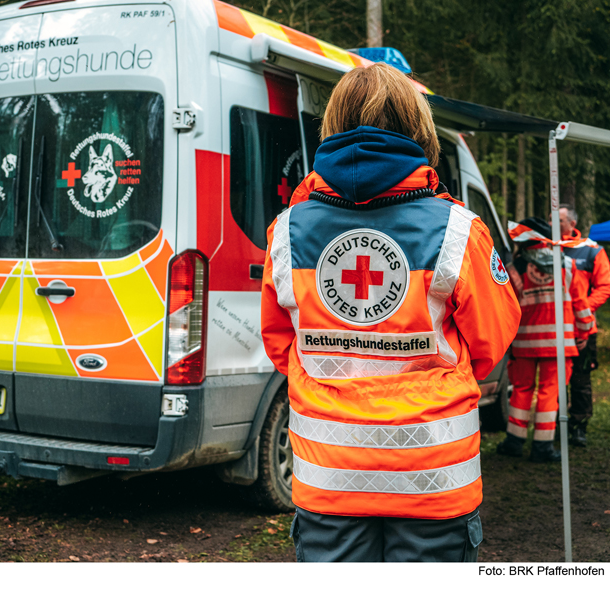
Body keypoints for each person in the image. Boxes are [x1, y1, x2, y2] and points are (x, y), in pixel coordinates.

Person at [260, 63, 521, 562]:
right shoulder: (459, 231)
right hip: (434, 474)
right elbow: (492, 339)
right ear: (418, 128)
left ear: (331, 124)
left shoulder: (287, 231)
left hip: (329, 476)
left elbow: (280, 344)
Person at [498, 218, 594, 462]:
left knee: (521, 389)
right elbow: (581, 305)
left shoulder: (514, 267)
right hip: (558, 343)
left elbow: (506, 308)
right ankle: (542, 446)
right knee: (549, 392)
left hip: (523, 343)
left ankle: (515, 441)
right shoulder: (568, 266)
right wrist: (584, 333)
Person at [559, 204, 610, 446]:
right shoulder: (545, 249)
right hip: (552, 328)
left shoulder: (592, 251)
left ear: (572, 224)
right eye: (550, 220)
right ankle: (556, 426)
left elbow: (604, 287)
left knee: (580, 380)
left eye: (558, 220)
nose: (553, 225)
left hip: (582, 328)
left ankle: (579, 427)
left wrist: (581, 311)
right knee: (555, 381)